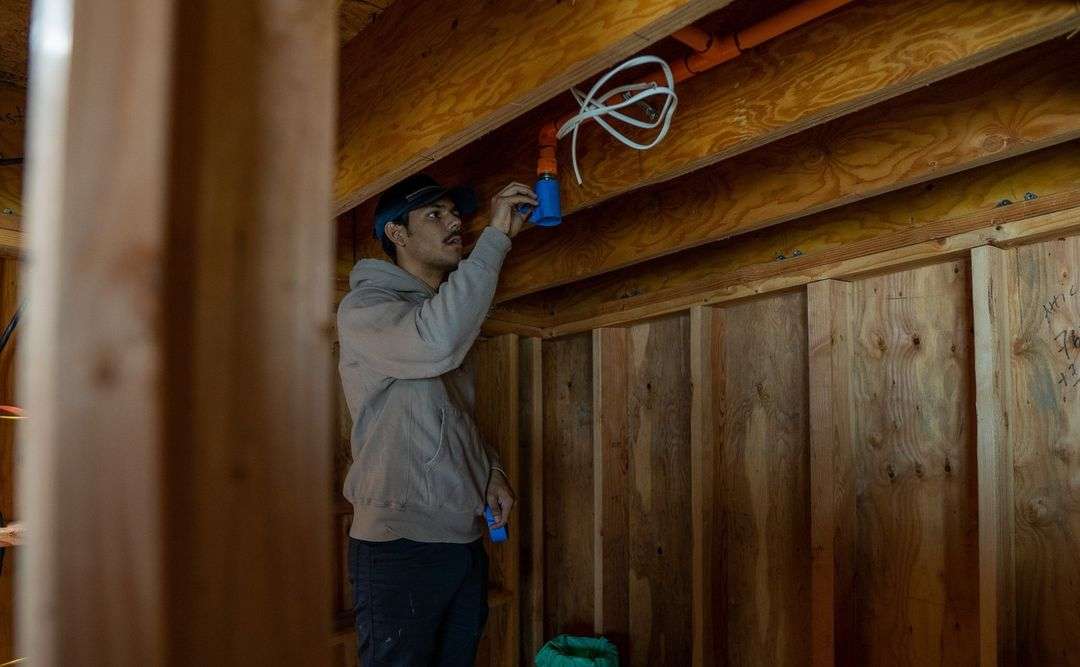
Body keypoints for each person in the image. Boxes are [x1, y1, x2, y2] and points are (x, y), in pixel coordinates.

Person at [337, 173, 537, 665]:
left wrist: (490, 469)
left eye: (455, 213)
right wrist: (495, 239)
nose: (454, 223)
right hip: (399, 545)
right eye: (435, 214)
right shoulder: (366, 308)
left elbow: (450, 415)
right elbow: (435, 344)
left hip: (461, 540)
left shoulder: (439, 311)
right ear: (397, 235)